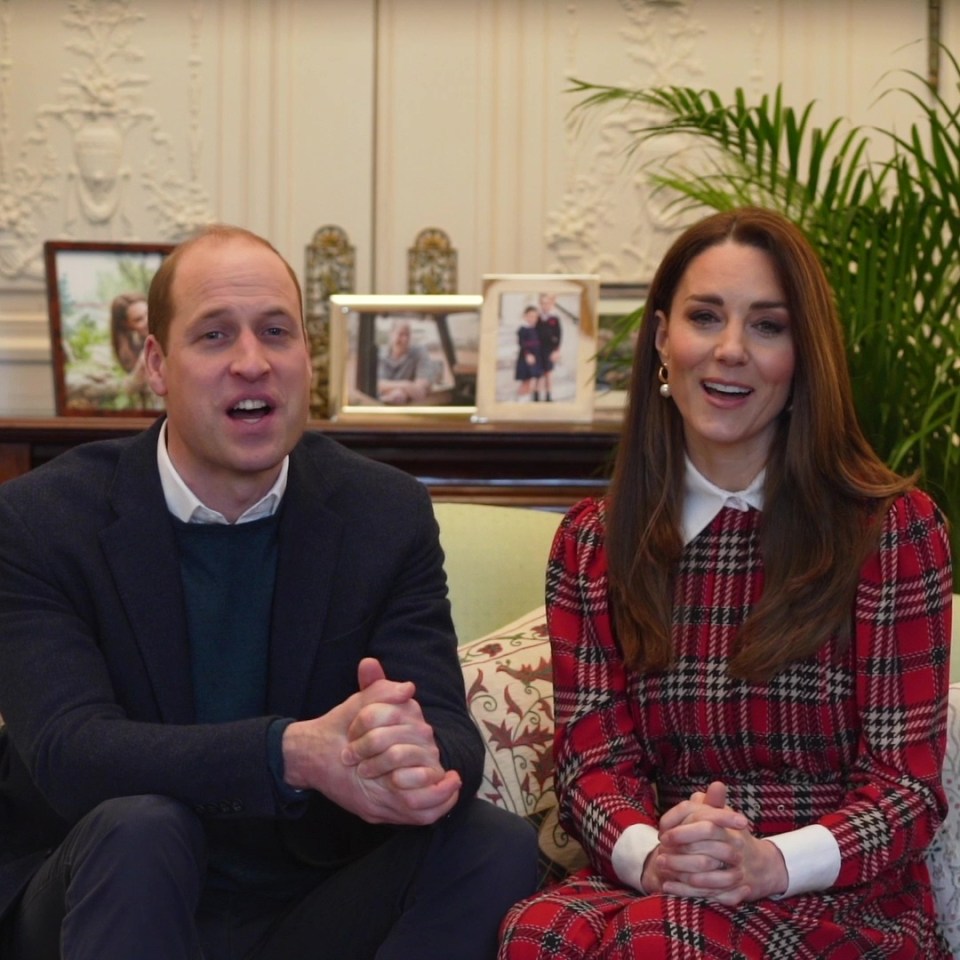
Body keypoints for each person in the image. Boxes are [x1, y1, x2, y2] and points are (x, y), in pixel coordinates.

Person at [0, 224, 538, 960]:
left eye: (276, 332)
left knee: (491, 844)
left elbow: (448, 734)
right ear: (156, 364)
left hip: (307, 897)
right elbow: (70, 753)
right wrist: (293, 752)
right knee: (143, 826)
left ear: (306, 358)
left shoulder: (383, 513)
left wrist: (401, 753)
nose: (252, 363)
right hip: (102, 889)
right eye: (215, 336)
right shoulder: (41, 520)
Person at [498, 207, 953, 959]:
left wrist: (770, 863)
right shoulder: (593, 542)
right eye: (705, 317)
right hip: (665, 870)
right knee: (535, 935)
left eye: (768, 326)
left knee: (663, 942)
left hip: (837, 891)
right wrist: (655, 855)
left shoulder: (891, 531)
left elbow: (906, 790)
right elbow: (593, 766)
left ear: (805, 354)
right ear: (659, 341)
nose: (731, 350)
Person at [377, 317, 432, 404]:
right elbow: (376, 385)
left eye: (407, 335)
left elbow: (420, 392)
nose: (405, 339)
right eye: (401, 334)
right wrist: (406, 385)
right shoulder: (380, 355)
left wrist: (399, 393)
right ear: (391, 334)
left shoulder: (419, 353)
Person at [110, 291, 149, 374]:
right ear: (127, 326)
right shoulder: (137, 356)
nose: (148, 320)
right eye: (139, 319)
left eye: (148, 312)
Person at [535, 293, 562, 402]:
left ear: (551, 304)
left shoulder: (554, 318)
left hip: (549, 350)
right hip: (539, 349)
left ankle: (548, 395)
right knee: (538, 373)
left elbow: (559, 335)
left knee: (548, 373)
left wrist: (556, 350)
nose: (545, 305)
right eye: (542, 303)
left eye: (547, 303)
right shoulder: (538, 318)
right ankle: (536, 394)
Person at [514, 305, 543, 402]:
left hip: (536, 358)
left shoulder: (536, 329)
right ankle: (520, 400)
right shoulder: (523, 329)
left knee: (532, 380)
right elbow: (522, 343)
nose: (532, 318)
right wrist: (528, 354)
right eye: (530, 316)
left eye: (535, 316)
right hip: (526, 359)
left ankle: (528, 400)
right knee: (525, 381)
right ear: (525, 316)